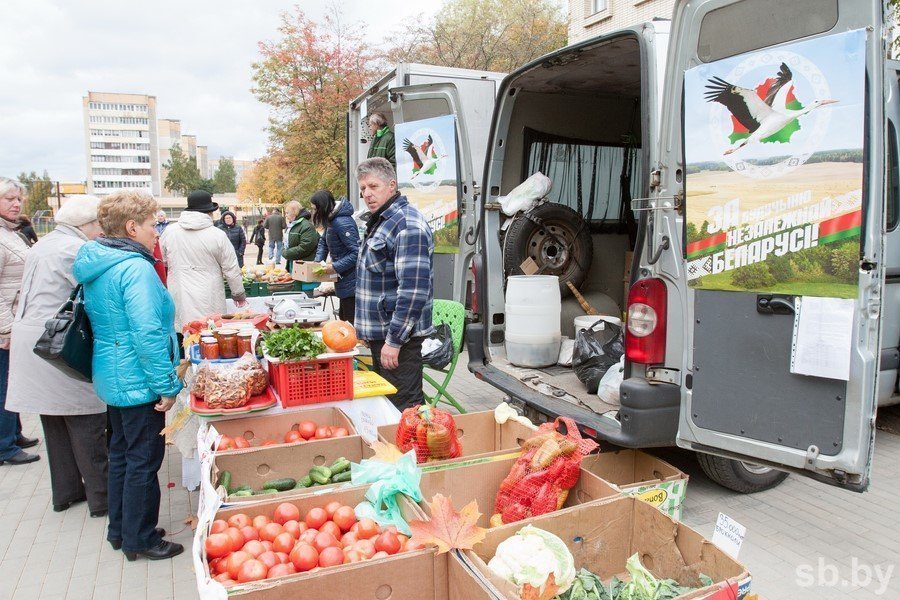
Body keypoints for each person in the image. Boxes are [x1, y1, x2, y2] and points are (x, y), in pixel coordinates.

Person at [72, 191, 184, 560]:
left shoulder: (101, 262)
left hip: (113, 375)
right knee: (142, 460)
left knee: (122, 455)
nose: (158, 231)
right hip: (137, 380)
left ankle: (121, 529)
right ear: (132, 227)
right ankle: (142, 538)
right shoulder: (134, 267)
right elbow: (147, 334)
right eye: (154, 224)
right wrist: (167, 386)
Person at [6, 196, 108, 514]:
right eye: (99, 226)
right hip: (60, 340)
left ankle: (66, 491)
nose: (101, 233)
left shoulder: (45, 243)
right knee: (87, 417)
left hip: (34, 337)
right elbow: (92, 294)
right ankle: (102, 497)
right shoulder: (75, 249)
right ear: (87, 225)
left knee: (54, 419)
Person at [355, 158, 434, 410]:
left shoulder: (406, 224)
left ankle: (415, 451)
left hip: (399, 341)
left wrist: (394, 341)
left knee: (405, 411)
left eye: (373, 186)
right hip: (384, 338)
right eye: (363, 189)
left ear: (392, 185)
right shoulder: (382, 221)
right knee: (388, 409)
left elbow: (413, 291)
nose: (367, 194)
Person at [159, 191, 247, 333]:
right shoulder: (217, 235)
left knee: (184, 332)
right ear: (210, 213)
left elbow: (161, 261)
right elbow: (231, 268)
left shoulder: (170, 232)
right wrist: (238, 294)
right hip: (210, 296)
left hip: (179, 293)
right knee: (210, 334)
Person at [0, 177, 39, 466]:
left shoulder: (12, 233)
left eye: (18, 199)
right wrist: (6, 328)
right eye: (8, 199)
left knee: (12, 382)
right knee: (3, 385)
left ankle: (14, 433)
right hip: (6, 325)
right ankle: (4, 445)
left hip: (17, 318)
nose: (16, 204)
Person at [310, 190, 360, 323]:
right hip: (343, 279)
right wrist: (318, 262)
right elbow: (323, 242)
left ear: (323, 206)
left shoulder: (342, 222)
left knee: (349, 320)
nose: (313, 212)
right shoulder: (331, 220)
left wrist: (335, 267)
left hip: (352, 280)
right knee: (344, 318)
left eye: (315, 209)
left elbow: (356, 252)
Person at [282, 201, 319, 275]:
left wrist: (287, 253)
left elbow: (306, 246)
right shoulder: (291, 225)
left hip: (304, 266)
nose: (285, 215)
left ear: (294, 212)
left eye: (287, 213)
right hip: (294, 263)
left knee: (304, 286)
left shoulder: (306, 226)